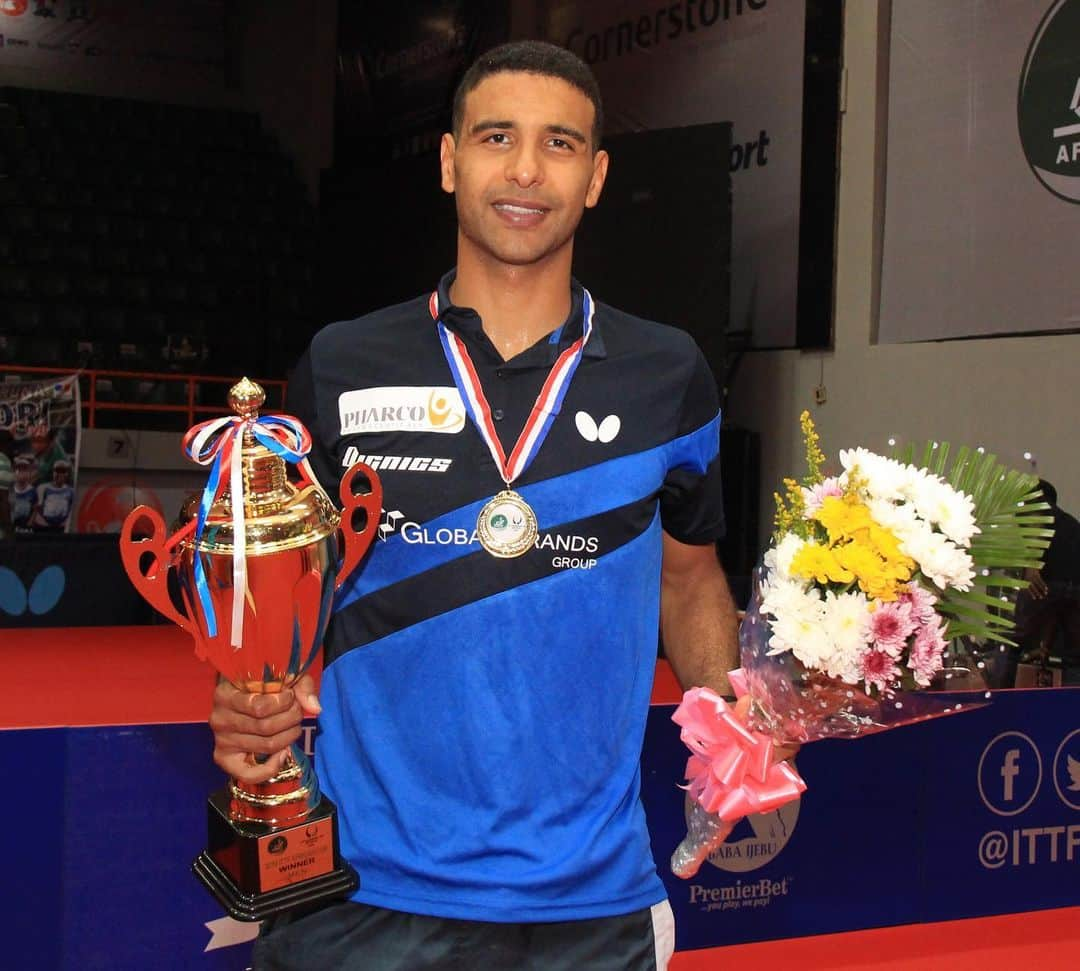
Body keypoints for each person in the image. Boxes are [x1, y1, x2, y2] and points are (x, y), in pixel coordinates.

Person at [211, 41, 742, 970]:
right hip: (361, 893)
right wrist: (255, 693)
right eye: (498, 137)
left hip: (590, 902)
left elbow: (691, 581)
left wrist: (733, 730)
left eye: (561, 144)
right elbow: (285, 586)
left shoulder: (671, 375)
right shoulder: (342, 366)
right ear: (452, 160)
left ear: (597, 177)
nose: (527, 170)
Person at [1014, 479, 1080, 683]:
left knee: (1013, 644)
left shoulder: (1037, 511)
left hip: (1049, 590)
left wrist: (1030, 564)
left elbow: (1036, 523)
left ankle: (1000, 695)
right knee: (1071, 660)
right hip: (1072, 596)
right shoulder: (1071, 523)